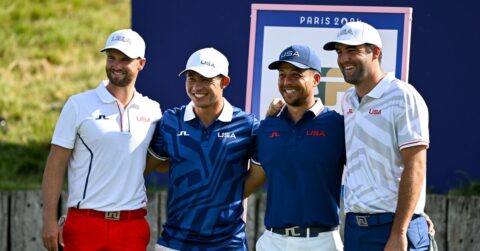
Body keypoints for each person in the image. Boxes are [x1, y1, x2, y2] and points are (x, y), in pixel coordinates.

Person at [41, 29, 161, 251]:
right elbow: (56, 163)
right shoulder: (78, 104)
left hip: (132, 226)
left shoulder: (153, 111)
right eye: (111, 57)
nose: (115, 65)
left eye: (124, 59)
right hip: (85, 224)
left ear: (141, 63)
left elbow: (159, 161)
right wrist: (49, 219)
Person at [323, 21, 430, 250]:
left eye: (352, 50)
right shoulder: (348, 100)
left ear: (376, 53)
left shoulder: (403, 95)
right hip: (355, 228)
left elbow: (416, 165)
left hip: (395, 228)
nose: (343, 59)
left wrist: (402, 229)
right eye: (340, 52)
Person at [147, 47, 258, 251]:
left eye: (206, 79)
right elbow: (147, 166)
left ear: (225, 81)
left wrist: (227, 194)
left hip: (228, 243)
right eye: (191, 78)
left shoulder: (247, 125)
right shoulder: (170, 121)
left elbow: (259, 174)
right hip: (175, 242)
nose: (197, 87)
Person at [244, 44, 345, 251]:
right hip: (273, 241)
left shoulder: (338, 125)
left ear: (316, 80)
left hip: (322, 242)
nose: (286, 82)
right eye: (282, 75)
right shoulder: (267, 127)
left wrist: (415, 211)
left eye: (296, 74)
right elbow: (251, 180)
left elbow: (370, 173)